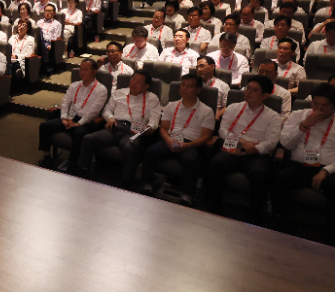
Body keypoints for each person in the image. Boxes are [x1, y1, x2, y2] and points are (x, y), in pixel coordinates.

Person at [208, 75, 281, 224]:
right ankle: (213, 209)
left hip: (256, 154)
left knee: (259, 173)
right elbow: (223, 131)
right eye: (248, 88)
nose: (248, 92)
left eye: (254, 90)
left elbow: (272, 142)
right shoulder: (234, 107)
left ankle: (254, 217)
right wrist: (241, 143)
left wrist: (249, 149)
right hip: (233, 148)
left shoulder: (273, 116)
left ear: (265, 95)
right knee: (217, 163)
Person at [78, 70, 161, 188]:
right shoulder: (119, 93)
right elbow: (107, 109)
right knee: (88, 139)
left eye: (138, 81)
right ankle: (83, 173)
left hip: (133, 132)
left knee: (130, 148)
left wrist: (149, 127)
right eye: (133, 79)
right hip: (115, 126)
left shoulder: (152, 98)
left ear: (146, 86)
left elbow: (154, 119)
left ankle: (126, 183)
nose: (133, 83)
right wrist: (110, 118)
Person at [273, 83, 335, 243]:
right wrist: (304, 125)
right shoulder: (298, 115)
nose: (319, 109)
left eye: (325, 105)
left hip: (327, 169)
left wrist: (326, 171)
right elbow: (285, 143)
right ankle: (278, 227)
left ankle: (329, 237)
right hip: (300, 165)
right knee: (282, 178)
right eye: (316, 104)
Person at [141, 74, 215, 203]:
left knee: (190, 159)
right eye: (183, 85)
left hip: (191, 143)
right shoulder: (171, 106)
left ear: (198, 90)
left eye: (189, 86)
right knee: (151, 152)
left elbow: (205, 136)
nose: (184, 88)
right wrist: (169, 140)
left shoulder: (206, 111)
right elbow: (163, 128)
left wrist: (187, 145)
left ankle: (187, 195)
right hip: (170, 140)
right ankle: (147, 185)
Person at [38, 59, 108, 171]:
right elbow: (65, 102)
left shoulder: (101, 90)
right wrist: (64, 118)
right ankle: (47, 157)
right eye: (81, 69)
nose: (82, 72)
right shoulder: (75, 85)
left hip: (86, 121)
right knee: (44, 126)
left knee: (78, 133)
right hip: (70, 117)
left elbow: (93, 112)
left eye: (86, 70)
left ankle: (72, 162)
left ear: (94, 71)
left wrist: (78, 124)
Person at [37, 4, 62, 75]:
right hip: (38, 41)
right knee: (39, 34)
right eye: (46, 11)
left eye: (50, 11)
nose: (47, 13)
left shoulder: (57, 24)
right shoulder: (39, 22)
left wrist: (52, 45)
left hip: (48, 43)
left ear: (54, 13)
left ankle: (45, 63)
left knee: (42, 41)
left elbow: (57, 37)